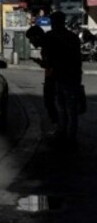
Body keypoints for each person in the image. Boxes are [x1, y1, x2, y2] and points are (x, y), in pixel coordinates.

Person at [44, 11, 82, 145]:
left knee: (61, 107)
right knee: (71, 109)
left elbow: (47, 57)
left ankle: (62, 133)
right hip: (72, 76)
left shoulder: (51, 36)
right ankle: (71, 136)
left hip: (59, 76)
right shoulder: (73, 37)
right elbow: (78, 60)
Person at [27, 24, 58, 133]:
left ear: (37, 36)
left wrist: (41, 62)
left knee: (50, 103)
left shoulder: (47, 47)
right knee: (51, 103)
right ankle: (57, 126)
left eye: (31, 39)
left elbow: (50, 64)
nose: (31, 43)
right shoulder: (48, 44)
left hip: (53, 78)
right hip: (52, 78)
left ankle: (57, 126)